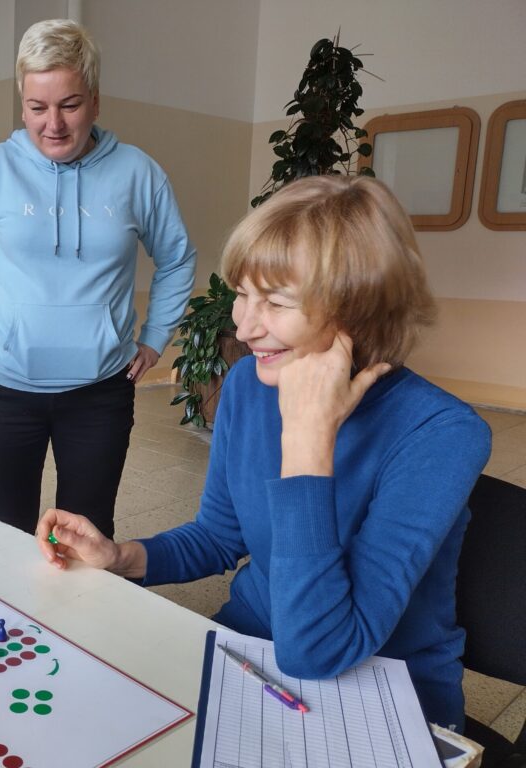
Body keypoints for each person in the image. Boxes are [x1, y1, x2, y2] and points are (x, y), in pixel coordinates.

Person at [35, 175, 491, 731]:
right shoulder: (251, 385)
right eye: (243, 294)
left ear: (358, 310)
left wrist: (307, 441)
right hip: (252, 655)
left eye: (275, 302)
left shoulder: (441, 431)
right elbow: (221, 535)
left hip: (387, 694)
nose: (243, 326)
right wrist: (120, 557)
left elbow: (320, 651)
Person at [0, 19, 196, 538]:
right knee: (3, 535)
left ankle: (76, 624)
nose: (52, 123)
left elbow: (178, 258)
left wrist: (155, 338)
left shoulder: (138, 173)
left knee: (88, 537)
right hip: (5, 390)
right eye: (37, 107)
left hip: (101, 393)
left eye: (69, 105)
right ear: (24, 104)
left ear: (95, 101)